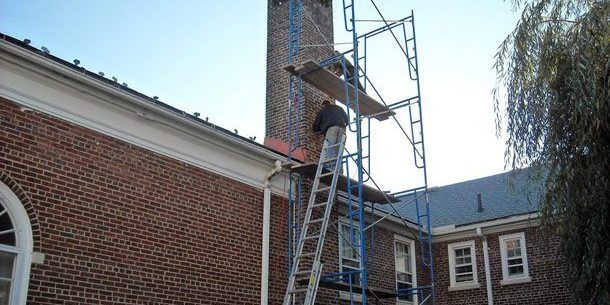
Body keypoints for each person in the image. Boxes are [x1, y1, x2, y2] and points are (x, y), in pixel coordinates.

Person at [313, 99, 348, 172]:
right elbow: (347, 119)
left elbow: (317, 122)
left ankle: (330, 169)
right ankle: (340, 171)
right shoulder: (339, 108)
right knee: (339, 152)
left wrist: (316, 130)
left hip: (331, 129)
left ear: (324, 105)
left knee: (329, 150)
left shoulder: (323, 110)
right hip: (342, 129)